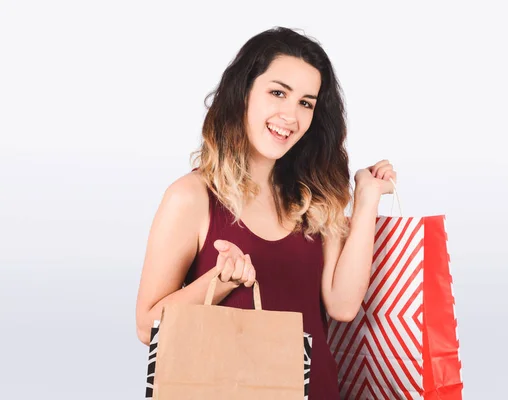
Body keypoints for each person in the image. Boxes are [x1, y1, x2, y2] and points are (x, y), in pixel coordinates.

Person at [135, 26, 396, 398]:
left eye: (306, 103)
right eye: (278, 93)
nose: (290, 115)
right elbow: (147, 327)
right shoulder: (190, 197)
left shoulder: (314, 198)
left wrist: (367, 199)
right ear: (243, 94)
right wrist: (219, 281)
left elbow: (342, 304)